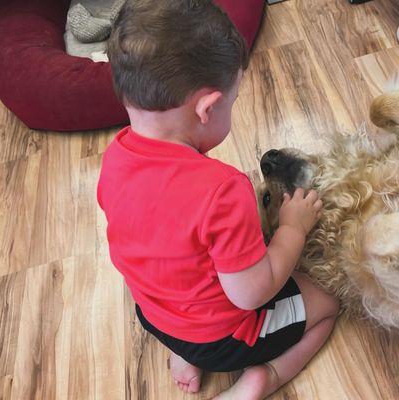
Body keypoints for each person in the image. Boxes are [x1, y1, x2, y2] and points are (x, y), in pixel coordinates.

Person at [96, 1, 340, 398]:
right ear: (208, 108)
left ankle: (183, 353)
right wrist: (292, 228)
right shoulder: (223, 191)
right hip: (224, 338)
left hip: (154, 317)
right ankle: (266, 378)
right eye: (234, 99)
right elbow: (251, 292)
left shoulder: (115, 157)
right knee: (327, 306)